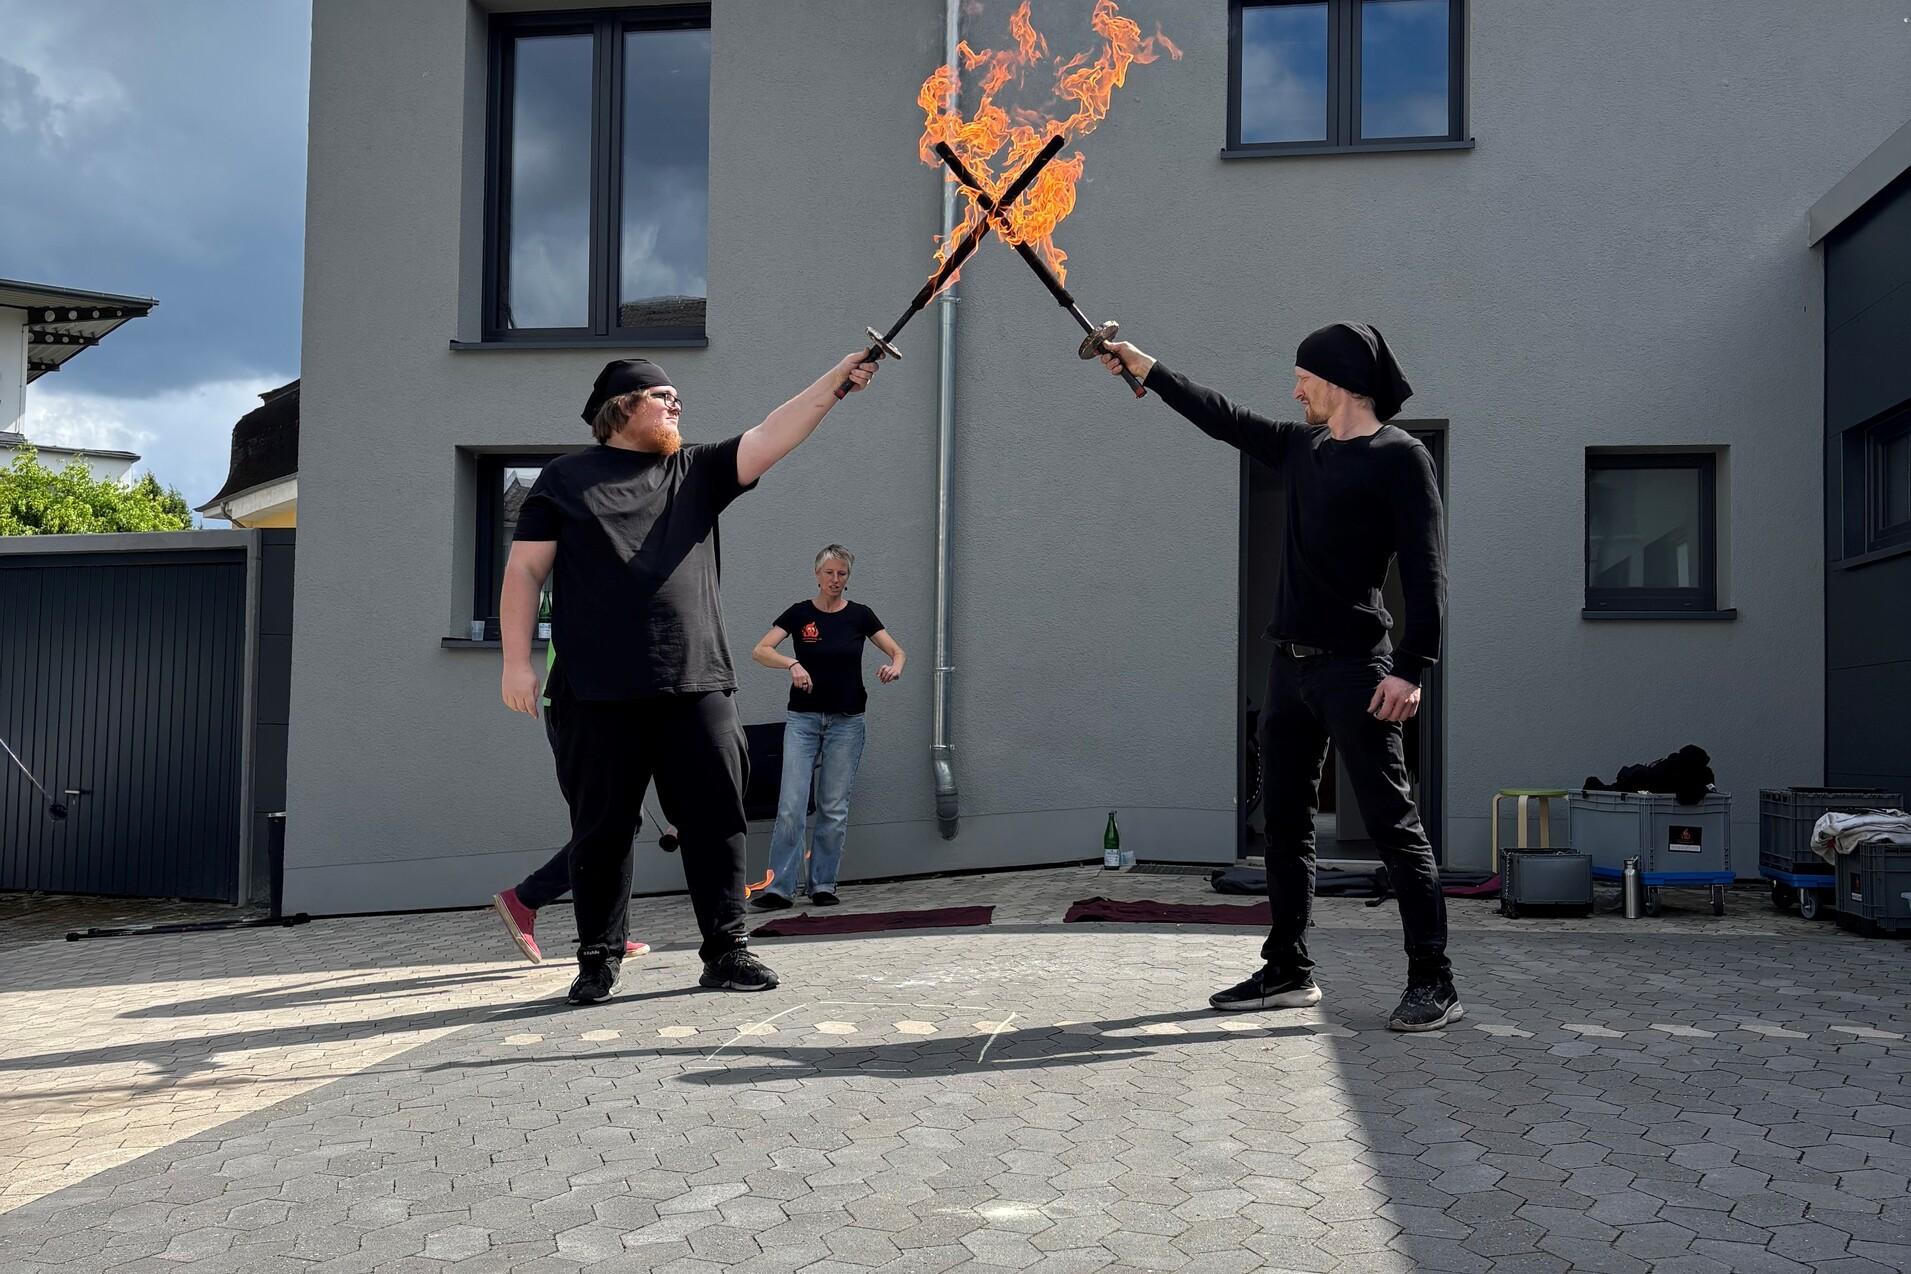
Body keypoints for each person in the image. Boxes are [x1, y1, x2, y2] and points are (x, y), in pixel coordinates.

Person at [1099, 322, 1459, 1032]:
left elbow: (1426, 573)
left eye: (1301, 378)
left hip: (1359, 670)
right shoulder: (1302, 448)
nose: (1293, 390)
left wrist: (1413, 668)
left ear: (1336, 381)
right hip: (1288, 668)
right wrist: (1140, 364)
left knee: (1394, 826)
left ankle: (1434, 981)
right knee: (1285, 825)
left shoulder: (1400, 457)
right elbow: (1219, 415)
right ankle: (1288, 967)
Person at [501, 350, 880, 1004]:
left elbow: (772, 432)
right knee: (602, 831)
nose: (677, 405)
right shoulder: (563, 480)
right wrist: (514, 660)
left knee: (716, 819)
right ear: (623, 406)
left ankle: (726, 952)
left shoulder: (695, 471)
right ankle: (597, 960)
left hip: (695, 683)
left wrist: (836, 381)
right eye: (664, 395)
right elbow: (523, 573)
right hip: (593, 692)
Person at [490, 636, 665, 965]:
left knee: (613, 823)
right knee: (608, 824)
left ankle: (607, 930)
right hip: (582, 704)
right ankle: (527, 899)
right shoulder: (583, 585)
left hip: (594, 702)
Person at [748, 545, 905, 909]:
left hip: (846, 722)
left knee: (833, 806)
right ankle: (779, 887)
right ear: (817, 574)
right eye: (829, 573)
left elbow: (897, 652)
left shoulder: (860, 616)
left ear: (848, 578)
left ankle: (823, 884)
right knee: (791, 805)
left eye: (842, 574)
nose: (835, 580)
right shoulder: (800, 614)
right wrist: (791, 663)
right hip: (803, 721)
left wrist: (894, 667)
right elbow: (760, 650)